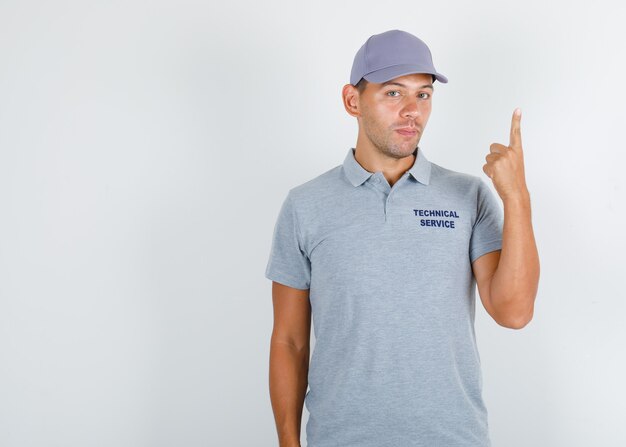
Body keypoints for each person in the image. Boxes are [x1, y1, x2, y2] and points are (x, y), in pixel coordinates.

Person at [265, 29, 540, 447]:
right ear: (352, 101)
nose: (412, 110)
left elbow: (513, 312)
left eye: (423, 95)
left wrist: (516, 197)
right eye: (394, 94)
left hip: (453, 438)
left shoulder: (468, 196)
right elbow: (289, 340)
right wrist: (288, 442)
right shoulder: (306, 205)